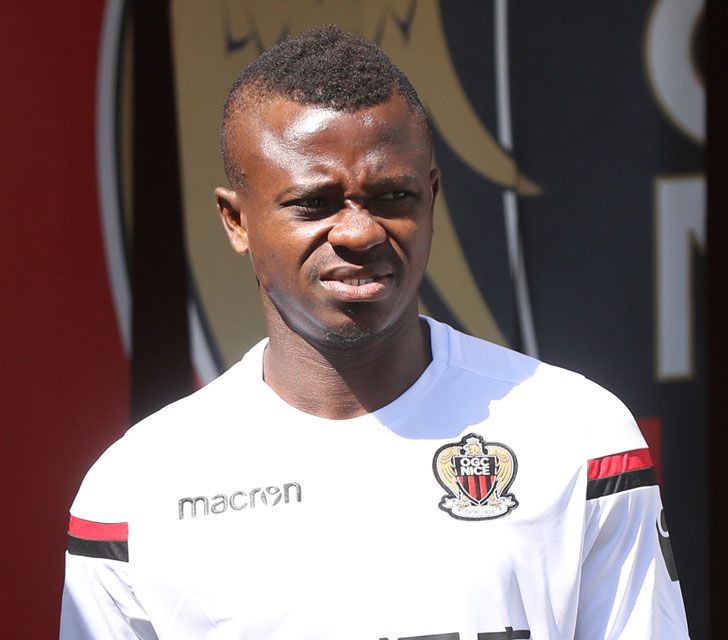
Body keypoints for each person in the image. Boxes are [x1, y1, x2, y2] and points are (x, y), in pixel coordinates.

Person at [61, 26, 688, 639]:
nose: (359, 233)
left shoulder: (577, 433)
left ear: (432, 198)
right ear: (236, 220)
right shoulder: (137, 491)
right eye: (314, 203)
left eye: (393, 196)